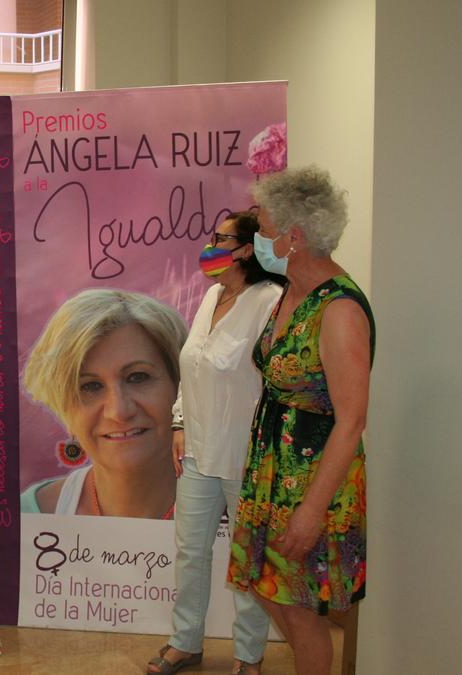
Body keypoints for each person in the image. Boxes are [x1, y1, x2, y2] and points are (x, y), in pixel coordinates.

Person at [227, 166, 373, 675]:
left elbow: (351, 421)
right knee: (268, 591)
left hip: (311, 482)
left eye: (263, 228)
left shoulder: (338, 310)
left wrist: (311, 512)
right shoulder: (289, 293)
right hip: (273, 470)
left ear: (294, 237)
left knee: (298, 611)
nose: (257, 239)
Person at [147, 211, 284, 675]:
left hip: (246, 457)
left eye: (220, 238)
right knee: (190, 552)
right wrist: (179, 422)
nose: (209, 244)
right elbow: (194, 367)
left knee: (247, 563)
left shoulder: (270, 299)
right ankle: (185, 641)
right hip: (198, 452)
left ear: (246, 249)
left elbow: (275, 381)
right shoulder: (210, 295)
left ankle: (249, 656)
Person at [21, 289, 187, 518]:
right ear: (63, 405)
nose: (119, 411)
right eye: (90, 386)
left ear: (180, 386)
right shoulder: (26, 518)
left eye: (137, 377)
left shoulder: (242, 518)